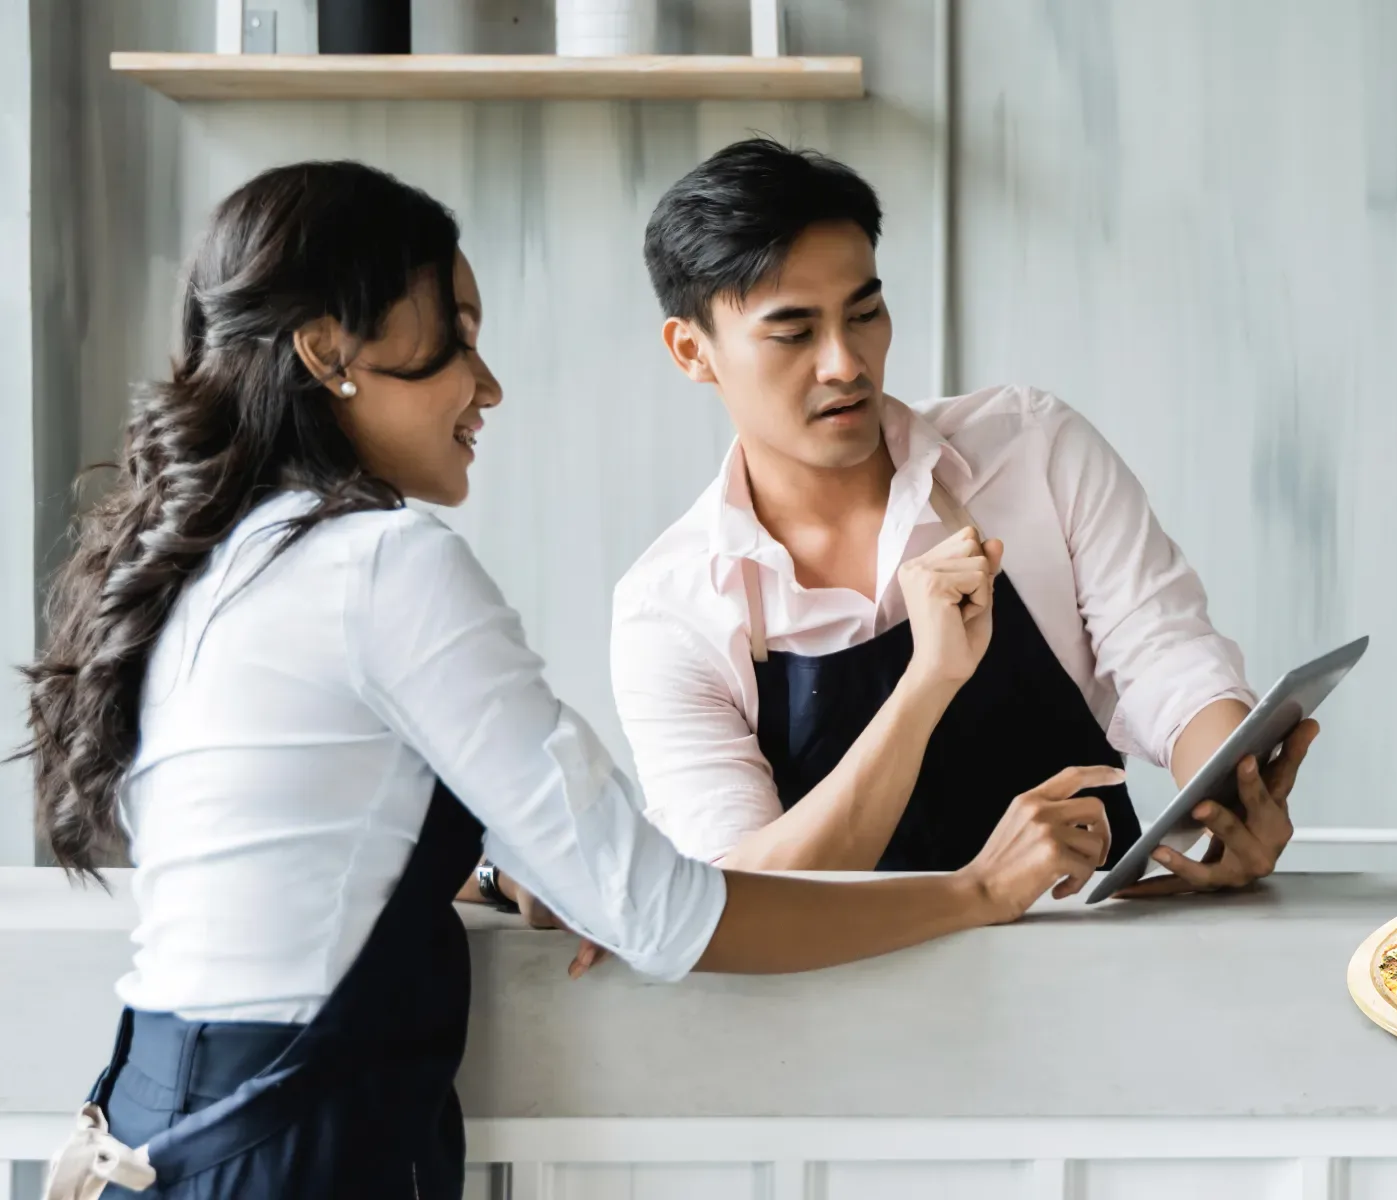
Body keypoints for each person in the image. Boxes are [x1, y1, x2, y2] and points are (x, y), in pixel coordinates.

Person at [20, 160, 1116, 1198]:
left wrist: (509, 873)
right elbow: (663, 915)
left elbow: (306, 848)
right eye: (454, 341)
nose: (487, 385)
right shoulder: (382, 563)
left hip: (159, 1118)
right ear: (326, 354)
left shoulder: (223, 558)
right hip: (294, 1145)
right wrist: (976, 891)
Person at [610, 138, 1317, 892]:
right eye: (793, 333)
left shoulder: (1032, 448)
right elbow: (738, 892)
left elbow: (1167, 658)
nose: (844, 362)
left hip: (1096, 972)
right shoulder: (672, 608)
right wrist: (930, 680)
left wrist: (1228, 803)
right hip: (834, 999)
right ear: (692, 350)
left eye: (866, 312)